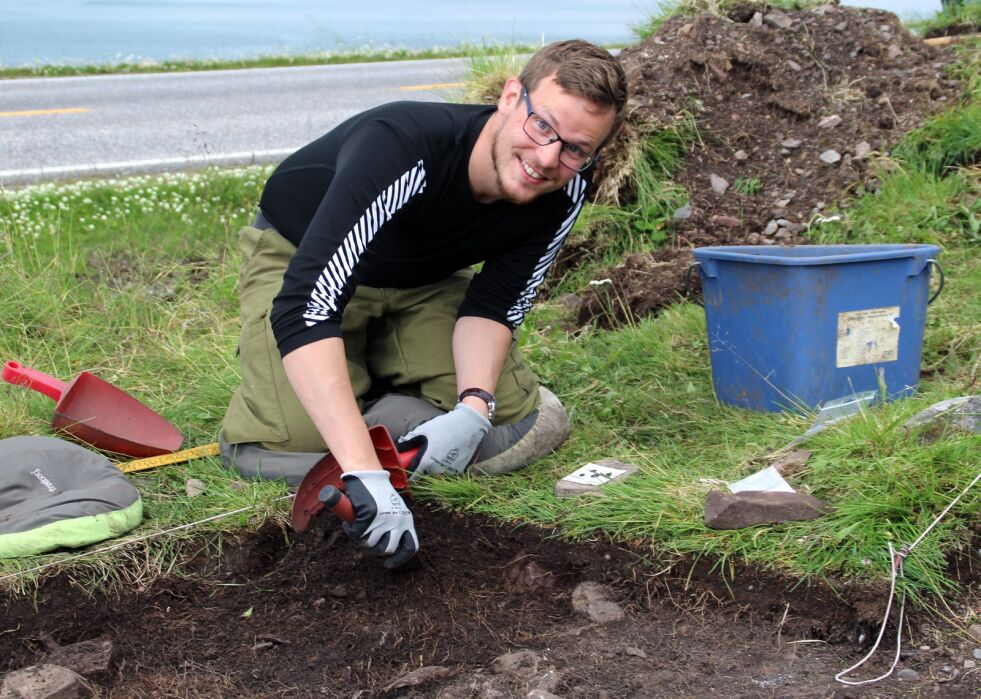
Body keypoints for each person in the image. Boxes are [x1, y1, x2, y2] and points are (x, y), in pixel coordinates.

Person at [220, 40, 628, 569]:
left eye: (575, 149)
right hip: (302, 258)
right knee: (290, 440)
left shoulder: (565, 187)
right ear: (510, 97)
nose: (548, 159)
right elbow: (307, 304)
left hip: (423, 280)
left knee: (505, 415)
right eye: (542, 126)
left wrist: (475, 409)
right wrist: (366, 472)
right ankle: (346, 396)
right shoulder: (403, 145)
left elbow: (497, 302)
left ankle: (369, 389)